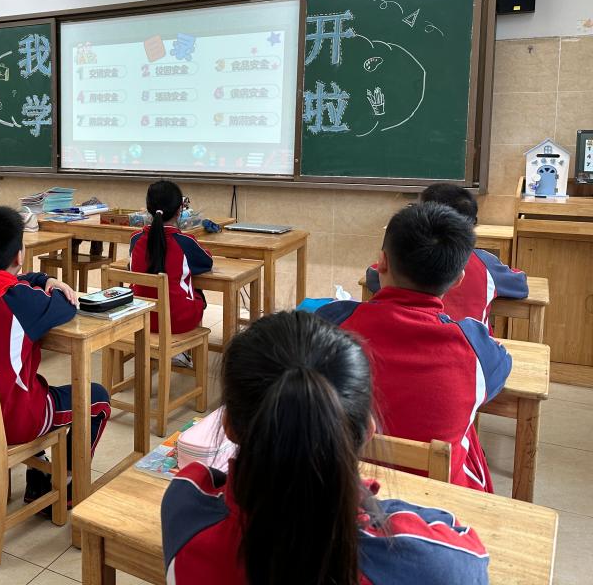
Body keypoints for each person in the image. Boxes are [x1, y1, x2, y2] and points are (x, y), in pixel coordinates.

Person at [161, 310, 490, 584]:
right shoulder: (434, 562)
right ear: (367, 431)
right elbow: (468, 554)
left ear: (228, 426)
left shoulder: (185, 509)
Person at [318, 202, 512, 492]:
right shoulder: (476, 348)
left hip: (339, 484)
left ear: (381, 262)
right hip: (437, 498)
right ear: (458, 279)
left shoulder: (331, 322)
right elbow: (500, 369)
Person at [0, 205, 105, 510]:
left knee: (33, 385)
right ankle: (65, 486)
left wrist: (41, 279)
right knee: (96, 398)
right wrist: (52, 283)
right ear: (19, 255)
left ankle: (40, 475)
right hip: (11, 423)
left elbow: (15, 282)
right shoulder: (20, 300)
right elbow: (66, 306)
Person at [365, 183, 527, 328]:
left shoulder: (401, 259)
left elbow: (373, 276)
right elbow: (520, 286)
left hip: (405, 333)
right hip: (466, 343)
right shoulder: (485, 263)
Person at [129, 180, 213, 367]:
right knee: (197, 293)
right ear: (179, 210)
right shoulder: (185, 241)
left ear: (148, 209)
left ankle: (159, 350)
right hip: (177, 321)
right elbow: (206, 262)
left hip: (140, 317)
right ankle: (178, 350)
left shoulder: (135, 239)